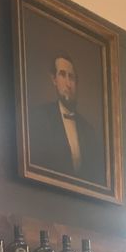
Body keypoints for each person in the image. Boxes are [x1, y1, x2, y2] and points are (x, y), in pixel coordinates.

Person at [28, 54, 105, 185]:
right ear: (54, 80)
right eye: (62, 75)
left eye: (72, 77)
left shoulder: (88, 130)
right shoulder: (40, 118)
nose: (68, 84)